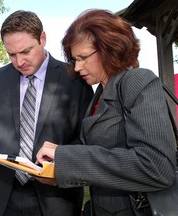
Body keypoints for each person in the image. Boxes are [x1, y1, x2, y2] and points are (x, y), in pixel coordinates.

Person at [36, 9, 177, 216]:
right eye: (74, 59)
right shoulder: (99, 93)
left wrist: (68, 158)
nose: (76, 67)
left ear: (110, 48)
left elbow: (156, 166)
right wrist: (57, 163)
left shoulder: (137, 81)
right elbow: (99, 150)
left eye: (83, 57)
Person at [0, 10, 93, 216]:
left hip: (56, 198)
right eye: (12, 54)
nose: (19, 62)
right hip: (1, 196)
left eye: (26, 51)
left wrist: (60, 162)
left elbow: (87, 137)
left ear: (42, 38)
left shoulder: (75, 78)